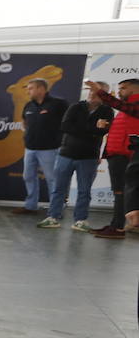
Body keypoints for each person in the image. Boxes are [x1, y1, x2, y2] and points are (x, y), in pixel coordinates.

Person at [39, 81, 112, 231]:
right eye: (91, 90)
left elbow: (102, 131)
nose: (92, 94)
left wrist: (83, 129)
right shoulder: (75, 107)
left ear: (104, 95)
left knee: (84, 190)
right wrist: (91, 129)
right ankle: (53, 217)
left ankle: (80, 220)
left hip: (89, 157)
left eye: (97, 91)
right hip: (66, 154)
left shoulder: (107, 111)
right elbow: (65, 127)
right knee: (58, 188)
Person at [91, 78, 139, 239]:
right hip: (117, 154)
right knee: (120, 192)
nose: (119, 92)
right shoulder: (128, 108)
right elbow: (126, 127)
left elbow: (120, 105)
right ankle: (117, 224)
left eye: (123, 88)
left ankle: (118, 227)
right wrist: (109, 126)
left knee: (121, 192)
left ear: (134, 90)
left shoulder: (132, 105)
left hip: (124, 155)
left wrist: (100, 92)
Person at [14, 78, 67, 216]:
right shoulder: (28, 105)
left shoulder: (58, 104)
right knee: (28, 176)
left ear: (41, 89)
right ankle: (31, 206)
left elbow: (67, 123)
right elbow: (24, 122)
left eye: (31, 88)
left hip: (49, 148)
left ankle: (56, 210)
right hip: (30, 148)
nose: (28, 91)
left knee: (52, 179)